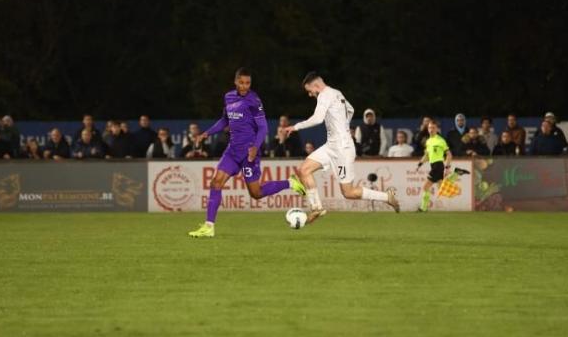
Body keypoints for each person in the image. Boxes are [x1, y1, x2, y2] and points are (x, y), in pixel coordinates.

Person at [188, 68, 307, 238]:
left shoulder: (254, 100)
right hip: (232, 151)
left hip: (249, 152)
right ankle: (209, 226)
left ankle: (290, 183)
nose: (245, 86)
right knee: (216, 182)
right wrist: (207, 133)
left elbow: (263, 127)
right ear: (235, 82)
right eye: (242, 83)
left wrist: (255, 148)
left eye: (248, 83)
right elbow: (224, 120)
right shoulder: (228, 97)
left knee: (256, 193)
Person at [282, 71, 399, 223]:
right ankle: (317, 208)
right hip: (332, 145)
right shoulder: (337, 93)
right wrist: (343, 125)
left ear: (316, 85)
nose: (310, 95)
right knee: (304, 170)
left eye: (310, 91)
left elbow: (318, 118)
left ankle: (386, 197)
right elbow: (351, 109)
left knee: (348, 192)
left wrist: (296, 127)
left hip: (342, 149)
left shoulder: (324, 95)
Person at [416, 120, 453, 212]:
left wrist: (447, 167)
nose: (431, 129)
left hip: (438, 166)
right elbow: (427, 155)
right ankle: (455, 175)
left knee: (425, 187)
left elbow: (449, 154)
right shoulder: (428, 141)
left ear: (437, 129)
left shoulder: (441, 140)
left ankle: (423, 208)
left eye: (433, 128)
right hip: (433, 166)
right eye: (429, 127)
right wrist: (420, 163)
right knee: (442, 188)